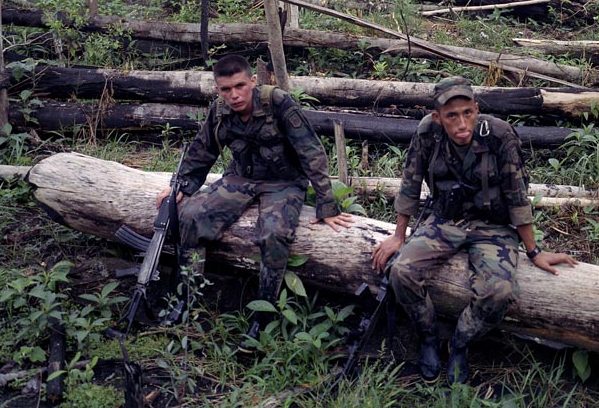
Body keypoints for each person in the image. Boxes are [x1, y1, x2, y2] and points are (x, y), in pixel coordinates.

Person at [371, 76, 577, 384]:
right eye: (451, 116)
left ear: (477, 109)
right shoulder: (427, 132)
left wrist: (533, 252)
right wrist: (399, 236)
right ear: (437, 117)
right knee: (401, 272)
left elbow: (517, 197)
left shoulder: (499, 135)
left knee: (500, 292)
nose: (461, 122)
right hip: (445, 220)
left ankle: (459, 343)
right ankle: (428, 336)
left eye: (467, 112)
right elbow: (410, 184)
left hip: (492, 227)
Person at [155, 53, 353, 343]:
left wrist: (326, 204)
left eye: (239, 87)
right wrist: (181, 186)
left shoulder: (279, 103)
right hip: (241, 178)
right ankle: (187, 298)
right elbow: (202, 150)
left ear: (253, 81)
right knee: (190, 216)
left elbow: (312, 153)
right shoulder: (220, 111)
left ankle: (263, 315)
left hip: (283, 183)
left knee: (274, 234)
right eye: (225, 89)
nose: (234, 95)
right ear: (218, 89)